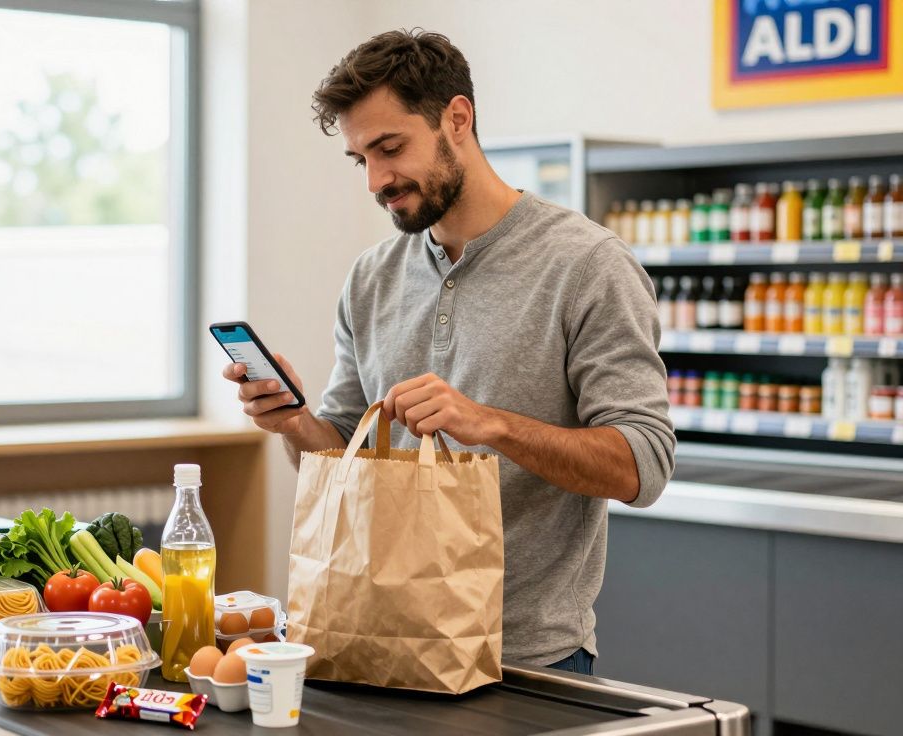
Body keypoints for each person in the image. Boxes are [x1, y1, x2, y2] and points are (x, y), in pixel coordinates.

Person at [222, 29, 673, 675]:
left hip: (525, 661)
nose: (377, 180)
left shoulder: (588, 265)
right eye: (361, 160)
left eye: (390, 148)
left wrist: (489, 423)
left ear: (456, 119)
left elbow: (644, 465)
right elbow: (343, 452)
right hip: (374, 641)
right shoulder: (370, 277)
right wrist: (294, 422)